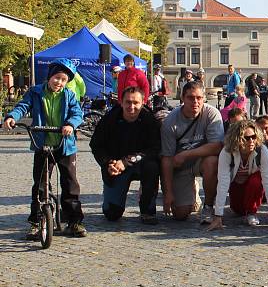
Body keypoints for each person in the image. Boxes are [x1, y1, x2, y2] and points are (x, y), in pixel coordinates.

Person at [3, 58, 86, 238]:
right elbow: (23, 106)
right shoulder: (36, 92)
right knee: (40, 185)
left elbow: (77, 113)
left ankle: (74, 221)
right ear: (50, 76)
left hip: (64, 145)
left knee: (70, 184)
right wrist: (12, 117)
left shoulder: (69, 95)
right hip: (42, 143)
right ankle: (36, 221)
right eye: (57, 78)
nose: (59, 82)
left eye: (64, 80)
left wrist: (71, 124)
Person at [90, 86, 161, 225]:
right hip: (115, 166)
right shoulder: (109, 119)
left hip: (141, 164)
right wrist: (107, 163)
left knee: (152, 167)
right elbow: (96, 145)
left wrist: (126, 161)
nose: (132, 106)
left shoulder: (150, 120)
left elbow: (154, 149)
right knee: (112, 214)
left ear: (143, 103)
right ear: (121, 102)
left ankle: (147, 210)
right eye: (128, 102)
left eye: (136, 103)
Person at [160, 81, 225, 222]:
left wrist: (186, 154)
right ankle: (191, 192)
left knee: (212, 162)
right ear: (182, 98)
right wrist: (168, 192)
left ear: (204, 98)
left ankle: (208, 206)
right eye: (190, 97)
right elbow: (166, 158)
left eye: (199, 98)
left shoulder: (212, 114)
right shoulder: (170, 122)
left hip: (200, 161)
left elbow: (217, 146)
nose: (195, 102)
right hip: (179, 167)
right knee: (180, 215)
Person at [206, 120, 268, 230]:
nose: (251, 141)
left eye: (253, 137)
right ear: (237, 139)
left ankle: (252, 213)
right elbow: (223, 183)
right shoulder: (227, 152)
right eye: (247, 138)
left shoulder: (262, 151)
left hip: (253, 189)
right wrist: (218, 215)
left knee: (256, 179)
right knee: (239, 211)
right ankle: (244, 212)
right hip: (236, 186)